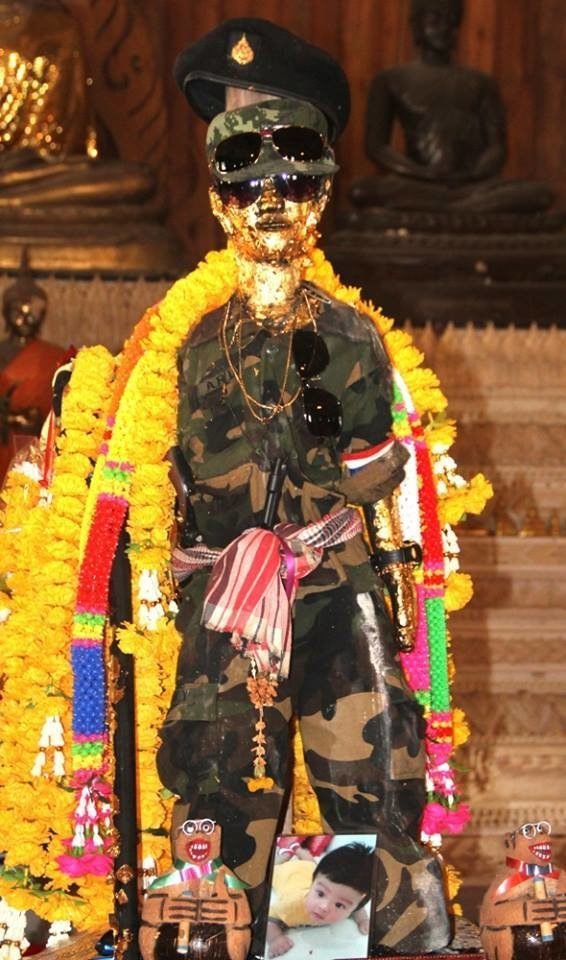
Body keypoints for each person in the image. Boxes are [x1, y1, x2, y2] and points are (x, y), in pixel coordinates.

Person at [152, 17, 450, 959]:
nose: (270, 200)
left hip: (334, 579)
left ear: (320, 196)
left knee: (379, 778)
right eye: (246, 176)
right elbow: (156, 478)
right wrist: (169, 551)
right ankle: (213, 937)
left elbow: (390, 471)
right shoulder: (190, 341)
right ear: (218, 198)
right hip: (232, 599)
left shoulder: (356, 335)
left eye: (292, 179)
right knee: (217, 786)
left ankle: (397, 940)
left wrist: (374, 478)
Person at [351, 0, 553, 213]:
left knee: (538, 194)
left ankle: (447, 209)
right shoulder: (390, 80)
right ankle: (462, 210)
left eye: (452, 20)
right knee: (362, 191)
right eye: (435, 19)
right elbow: (376, 146)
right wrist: (421, 173)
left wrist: (476, 173)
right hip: (419, 182)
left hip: (472, 184)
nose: (445, 28)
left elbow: (497, 147)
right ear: (416, 24)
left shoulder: (480, 83)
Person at [266, 842, 372, 957]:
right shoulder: (291, 905)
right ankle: (289, 852)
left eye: (339, 905)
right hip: (287, 874)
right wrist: (275, 938)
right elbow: (269, 920)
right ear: (313, 883)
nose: (324, 907)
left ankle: (300, 851)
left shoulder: (349, 899)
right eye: (320, 894)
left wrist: (363, 920)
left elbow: (358, 909)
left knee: (311, 864)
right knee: (270, 869)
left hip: (309, 869)